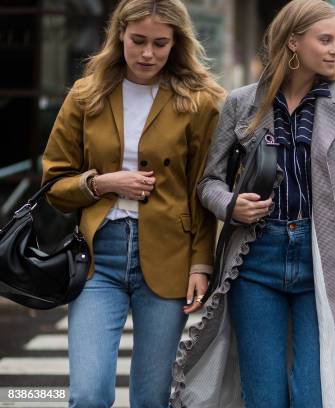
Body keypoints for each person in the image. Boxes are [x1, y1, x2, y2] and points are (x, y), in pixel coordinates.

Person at [170, 0, 335, 407]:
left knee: (312, 394)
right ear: (293, 43)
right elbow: (208, 182)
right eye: (325, 40)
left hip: (322, 261)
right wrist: (232, 204)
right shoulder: (241, 102)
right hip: (255, 259)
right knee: (264, 395)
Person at [41, 0, 224, 406]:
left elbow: (205, 188)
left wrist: (201, 261)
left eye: (160, 43)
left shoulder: (201, 101)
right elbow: (54, 183)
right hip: (97, 259)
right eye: (138, 40)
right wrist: (101, 182)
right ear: (119, 34)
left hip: (169, 256)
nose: (148, 53)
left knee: (151, 397)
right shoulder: (87, 94)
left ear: (176, 43)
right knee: (88, 394)